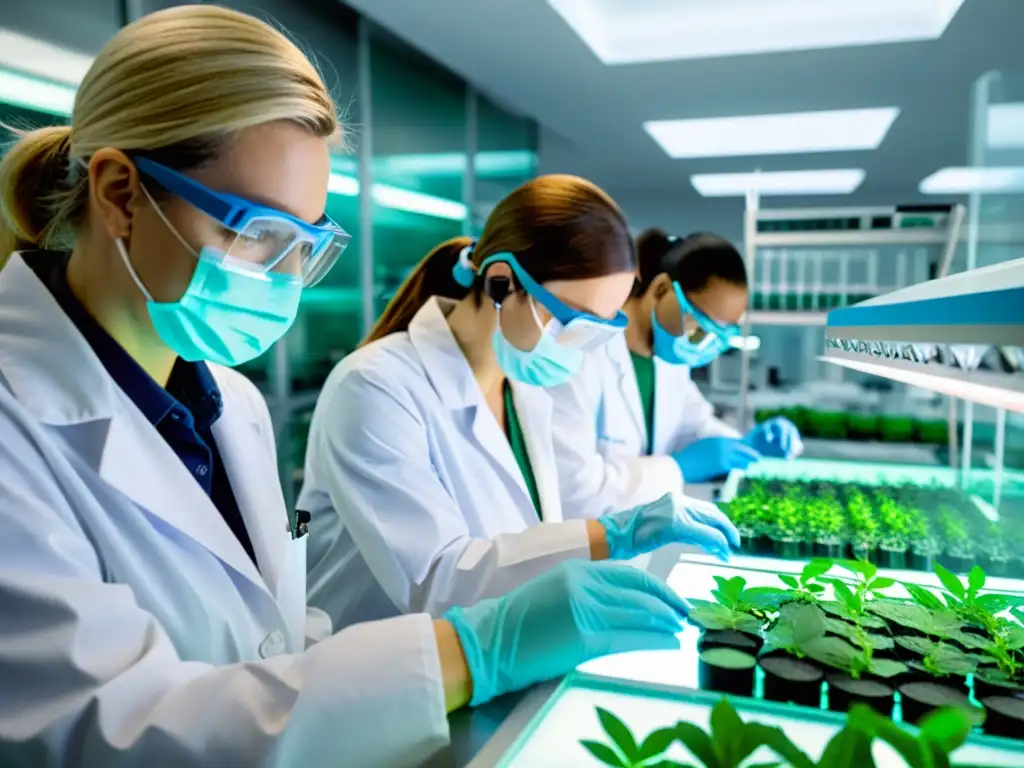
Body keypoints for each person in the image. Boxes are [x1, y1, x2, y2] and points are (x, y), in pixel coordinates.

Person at [0, 8, 699, 766]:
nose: (287, 280)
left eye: (306, 244)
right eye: (257, 234)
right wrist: (470, 653)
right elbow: (109, 733)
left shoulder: (230, 406)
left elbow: (278, 636)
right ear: (121, 195)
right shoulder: (17, 424)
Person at [299, 179, 739, 630]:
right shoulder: (375, 386)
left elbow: (524, 544)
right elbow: (436, 580)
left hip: (487, 653)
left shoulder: (524, 391)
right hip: (378, 668)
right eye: (568, 319)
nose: (577, 348)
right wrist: (612, 535)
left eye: (596, 330)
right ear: (500, 281)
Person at [551, 228, 803, 520]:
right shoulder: (580, 356)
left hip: (640, 536)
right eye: (700, 328)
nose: (704, 347)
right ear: (661, 289)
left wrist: (745, 444)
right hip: (579, 548)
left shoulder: (670, 363)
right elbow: (575, 492)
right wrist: (680, 468)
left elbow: (694, 426)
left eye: (719, 338)